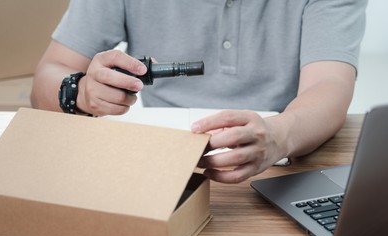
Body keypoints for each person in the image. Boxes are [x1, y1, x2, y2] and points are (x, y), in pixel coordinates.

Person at [30, 0, 368, 184]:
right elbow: (48, 76)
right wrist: (81, 92)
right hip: (156, 168)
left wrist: (278, 136)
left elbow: (330, 86)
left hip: (283, 166)